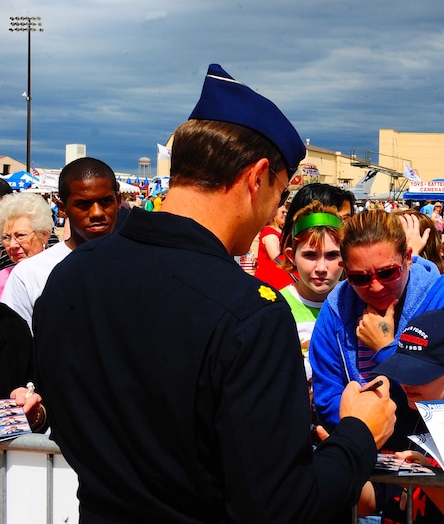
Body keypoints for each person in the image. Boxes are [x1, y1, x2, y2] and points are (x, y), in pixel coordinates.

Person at [32, 63, 395, 522]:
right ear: (256, 177)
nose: (272, 214)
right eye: (279, 195)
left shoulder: (69, 277)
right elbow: (281, 508)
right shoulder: (249, 313)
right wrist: (360, 434)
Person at [309, 208, 444, 442]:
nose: (375, 287)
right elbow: (327, 397)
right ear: (346, 271)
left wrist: (386, 349)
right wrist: (364, 436)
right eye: (360, 277)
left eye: (387, 273)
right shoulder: (337, 309)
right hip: (361, 452)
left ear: (407, 257)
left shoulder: (443, 303)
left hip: (432, 449)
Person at [369, 308, 444, 524]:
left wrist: (424, 478)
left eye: (419, 373)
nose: (405, 382)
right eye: (402, 369)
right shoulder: (396, 418)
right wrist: (343, 458)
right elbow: (374, 499)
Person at [2, 157, 121, 331]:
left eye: (105, 201)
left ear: (118, 201)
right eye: (83, 204)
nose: (97, 213)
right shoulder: (29, 275)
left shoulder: (141, 264)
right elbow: (15, 347)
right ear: (62, 208)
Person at [279, 200, 345, 381]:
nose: (321, 267)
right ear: (291, 256)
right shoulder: (278, 307)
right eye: (310, 255)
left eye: (332, 255)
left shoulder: (356, 301)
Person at [256, 182, 354, 289]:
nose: (345, 229)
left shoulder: (355, 276)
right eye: (338, 220)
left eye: (348, 220)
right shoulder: (269, 276)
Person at [0, 193, 54, 297]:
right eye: (6, 237)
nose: (12, 245)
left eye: (20, 235)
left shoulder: (61, 273)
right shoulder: (2, 279)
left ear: (43, 235)